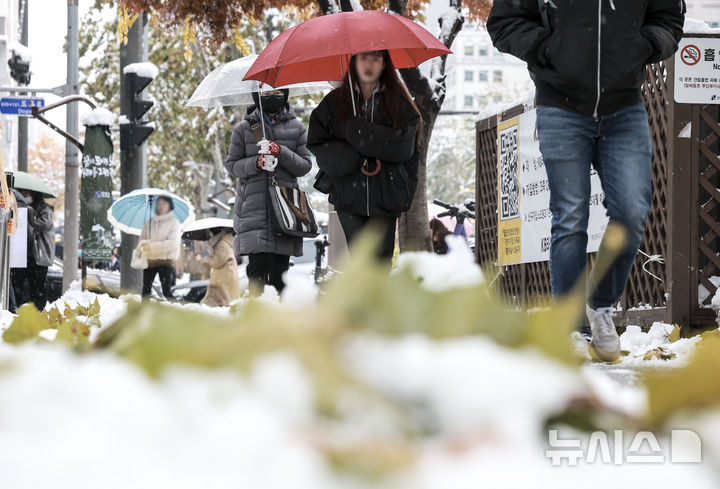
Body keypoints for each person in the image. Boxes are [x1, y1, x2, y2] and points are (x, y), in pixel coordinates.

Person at [487, 0, 684, 361]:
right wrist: (548, 49)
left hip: (624, 106)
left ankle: (601, 305)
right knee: (570, 217)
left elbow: (669, 18)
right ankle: (570, 328)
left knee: (632, 212)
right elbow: (504, 21)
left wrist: (643, 46)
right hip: (560, 105)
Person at [307, 50, 421, 263]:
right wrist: (352, 159)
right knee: (361, 263)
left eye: (376, 58)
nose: (369, 64)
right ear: (354, 62)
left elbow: (404, 146)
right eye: (363, 58)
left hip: (387, 195)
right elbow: (317, 144)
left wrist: (360, 133)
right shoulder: (334, 102)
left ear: (384, 64)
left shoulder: (399, 103)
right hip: (348, 196)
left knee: (380, 264)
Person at [225, 88, 312, 296]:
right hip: (253, 213)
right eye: (266, 93)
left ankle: (277, 326)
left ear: (286, 94)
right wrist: (257, 162)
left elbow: (304, 166)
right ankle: (254, 325)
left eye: (277, 92)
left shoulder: (297, 127)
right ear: (257, 95)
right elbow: (232, 166)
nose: (272, 97)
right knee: (256, 276)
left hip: (284, 213)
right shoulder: (243, 129)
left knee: (279, 278)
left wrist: (280, 152)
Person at [12, 190, 55, 310]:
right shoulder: (19, 207)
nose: (25, 197)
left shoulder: (44, 209)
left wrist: (29, 212)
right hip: (22, 254)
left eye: (26, 194)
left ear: (34, 194)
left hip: (38, 255)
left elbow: (42, 224)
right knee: (18, 283)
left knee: (38, 286)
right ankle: (17, 308)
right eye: (22, 194)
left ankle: (38, 309)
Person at [136, 195, 181, 299]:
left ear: (170, 206)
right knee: (146, 290)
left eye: (164, 204)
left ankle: (175, 311)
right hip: (151, 260)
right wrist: (143, 245)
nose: (161, 206)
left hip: (166, 261)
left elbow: (172, 244)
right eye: (159, 204)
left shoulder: (174, 223)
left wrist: (151, 247)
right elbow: (142, 238)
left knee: (167, 292)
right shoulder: (149, 222)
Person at [200, 228, 242, 307]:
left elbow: (218, 262)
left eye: (210, 232)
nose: (209, 235)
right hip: (225, 275)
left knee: (217, 301)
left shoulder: (221, 244)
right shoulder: (223, 242)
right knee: (222, 301)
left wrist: (207, 259)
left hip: (223, 277)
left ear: (214, 233)